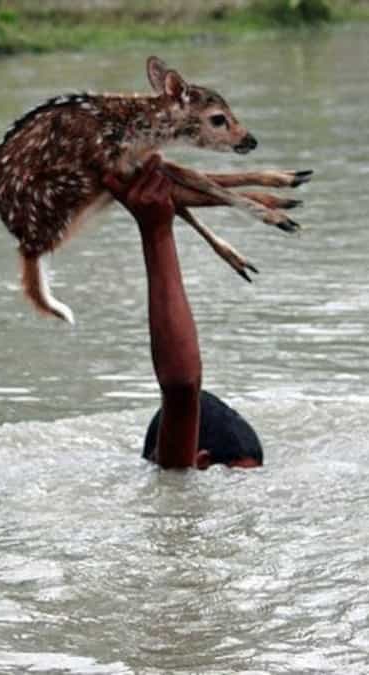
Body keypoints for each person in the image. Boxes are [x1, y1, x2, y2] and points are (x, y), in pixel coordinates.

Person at [102, 156, 263, 470]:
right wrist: (157, 232)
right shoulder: (179, 477)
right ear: (200, 461)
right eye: (237, 479)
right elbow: (181, 387)